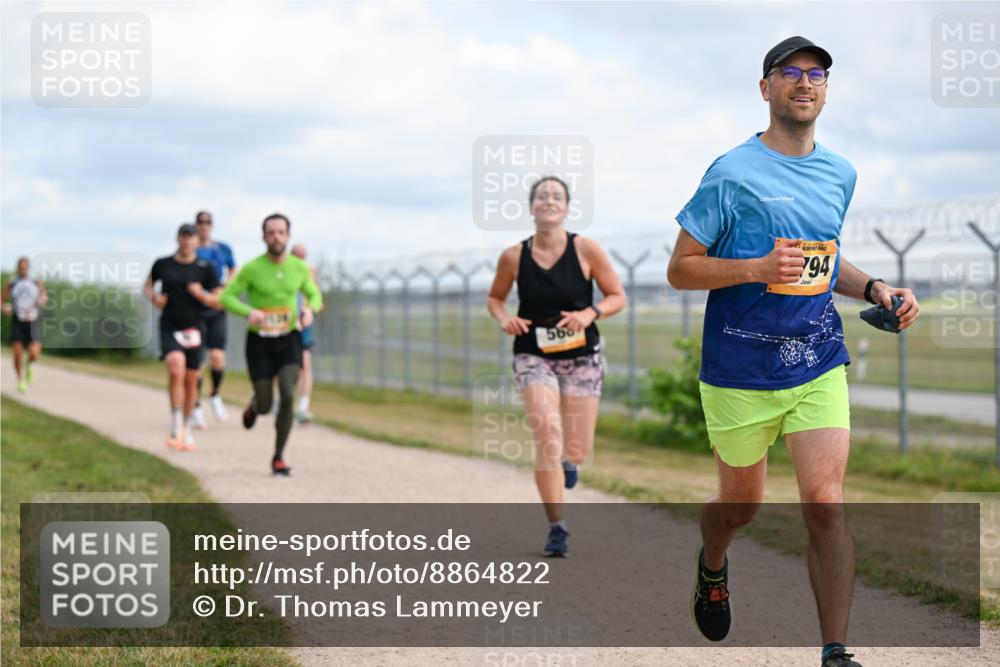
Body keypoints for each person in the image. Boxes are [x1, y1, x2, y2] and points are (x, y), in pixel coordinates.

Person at [667, 37, 920, 667]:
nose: (804, 83)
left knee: (825, 506)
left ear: (826, 91)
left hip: (815, 359)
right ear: (766, 89)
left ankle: (835, 651)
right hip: (738, 370)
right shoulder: (730, 173)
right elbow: (680, 269)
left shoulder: (840, 173)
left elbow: (826, 262)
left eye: (817, 74)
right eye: (790, 73)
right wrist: (755, 266)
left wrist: (877, 287)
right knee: (740, 508)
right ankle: (713, 562)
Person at [487, 176, 626, 557]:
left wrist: (590, 312)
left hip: (582, 355)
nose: (549, 201)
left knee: (576, 449)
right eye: (542, 196)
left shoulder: (586, 249)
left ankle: (570, 459)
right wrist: (504, 318)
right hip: (533, 353)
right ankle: (557, 527)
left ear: (566, 207)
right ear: (532, 207)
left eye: (557, 196)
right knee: (548, 433)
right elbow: (496, 298)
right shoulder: (514, 256)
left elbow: (617, 297)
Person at [220, 213, 323, 476]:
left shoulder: (299, 268)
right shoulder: (252, 268)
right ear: (263, 237)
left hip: (289, 339)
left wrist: (310, 309)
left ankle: (278, 457)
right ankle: (255, 405)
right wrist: (247, 312)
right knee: (266, 404)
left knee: (288, 395)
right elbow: (228, 297)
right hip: (259, 342)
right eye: (271, 232)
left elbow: (314, 294)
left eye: (281, 232)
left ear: (288, 236)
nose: (276, 237)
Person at [144, 224, 221, 451]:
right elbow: (148, 285)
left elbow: (217, 299)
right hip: (170, 325)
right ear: (178, 239)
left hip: (195, 327)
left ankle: (187, 429)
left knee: (191, 379)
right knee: (175, 367)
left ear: (197, 242)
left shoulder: (205, 268)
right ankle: (176, 423)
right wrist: (154, 298)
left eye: (191, 238)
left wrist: (202, 294)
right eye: (183, 237)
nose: (187, 242)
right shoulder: (163, 264)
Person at [193, 210, 237, 425]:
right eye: (200, 222)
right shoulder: (191, 249)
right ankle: (195, 405)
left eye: (207, 222)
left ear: (212, 225)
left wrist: (224, 290)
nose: (204, 225)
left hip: (217, 308)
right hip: (196, 310)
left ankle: (215, 394)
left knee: (218, 358)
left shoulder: (223, 249)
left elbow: (233, 270)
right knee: (198, 361)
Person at [2, 257, 47, 393]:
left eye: (25, 267)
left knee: (34, 353)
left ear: (28, 268)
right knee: (17, 353)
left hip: (33, 320)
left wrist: (42, 301)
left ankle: (29, 365)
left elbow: (43, 296)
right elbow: (1, 300)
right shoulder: (12, 282)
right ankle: (20, 380)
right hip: (18, 321)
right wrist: (4, 308)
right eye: (21, 267)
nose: (23, 270)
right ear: (17, 268)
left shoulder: (35, 281)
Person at [290, 244, 318, 423]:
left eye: (304, 256)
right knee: (282, 366)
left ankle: (303, 407)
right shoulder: (284, 271)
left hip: (303, 322)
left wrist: (310, 310)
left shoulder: (309, 271)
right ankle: (281, 400)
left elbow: (315, 296)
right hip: (284, 321)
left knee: (305, 364)